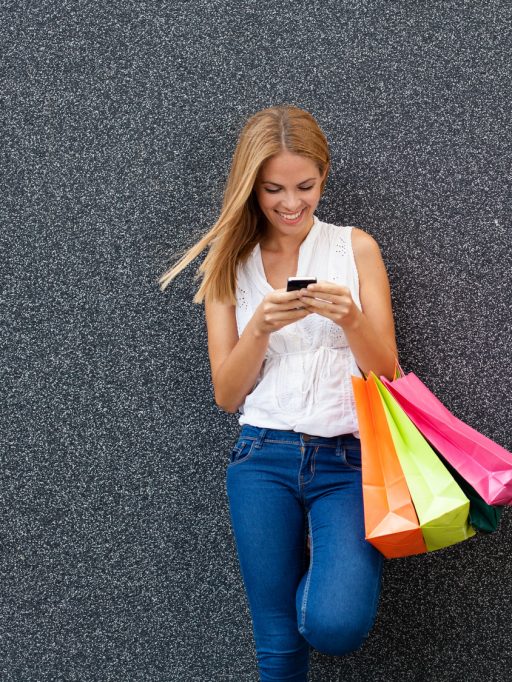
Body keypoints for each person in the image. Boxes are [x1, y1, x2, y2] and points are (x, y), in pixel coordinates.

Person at [159, 104, 398, 681]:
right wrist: (261, 325)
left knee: (333, 623)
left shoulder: (355, 248)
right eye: (273, 190)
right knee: (277, 648)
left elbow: (388, 372)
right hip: (261, 457)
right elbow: (227, 393)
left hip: (349, 459)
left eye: (305, 186)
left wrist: (351, 320)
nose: (291, 204)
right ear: (251, 187)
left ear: (324, 177)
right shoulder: (230, 264)